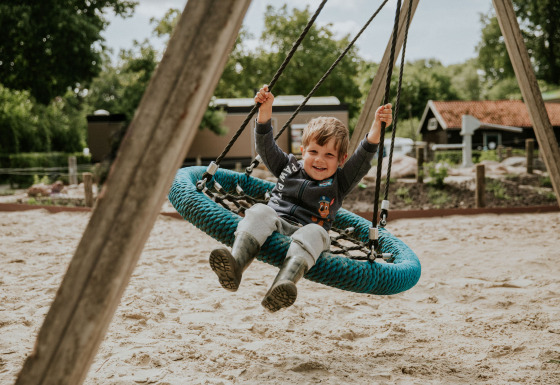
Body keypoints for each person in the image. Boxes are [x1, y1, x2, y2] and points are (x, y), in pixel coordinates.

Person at [209, 85, 392, 312]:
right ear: (302, 150)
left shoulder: (341, 182)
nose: (319, 160)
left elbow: (363, 156)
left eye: (329, 155)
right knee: (259, 211)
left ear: (341, 159)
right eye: (313, 152)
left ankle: (283, 284)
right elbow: (265, 147)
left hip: (310, 232)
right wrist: (265, 111)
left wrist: (377, 127)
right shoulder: (288, 166)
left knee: (315, 232)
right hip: (275, 222)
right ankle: (235, 265)